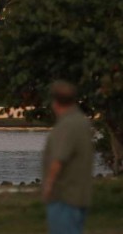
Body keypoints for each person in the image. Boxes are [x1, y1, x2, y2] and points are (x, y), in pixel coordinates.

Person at [42, 81, 93, 234]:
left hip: (64, 197)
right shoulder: (82, 122)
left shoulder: (66, 125)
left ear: (55, 102)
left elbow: (59, 159)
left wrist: (48, 186)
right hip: (80, 195)